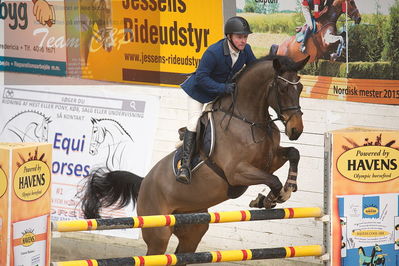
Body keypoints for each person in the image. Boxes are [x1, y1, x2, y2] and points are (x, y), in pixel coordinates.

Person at [177, 16, 257, 184]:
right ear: (229, 37)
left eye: (245, 37)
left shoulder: (246, 50)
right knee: (194, 122)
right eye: (239, 37)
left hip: (220, 94)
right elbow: (201, 78)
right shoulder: (213, 52)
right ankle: (184, 166)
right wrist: (223, 88)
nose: (243, 41)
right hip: (199, 92)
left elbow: (254, 70)